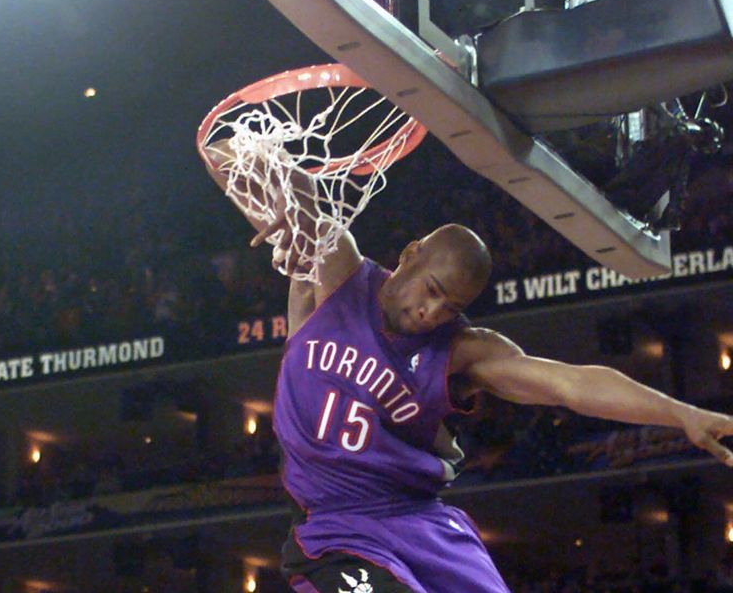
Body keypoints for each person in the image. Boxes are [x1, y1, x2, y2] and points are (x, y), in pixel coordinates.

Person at [203, 142, 733, 593]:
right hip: (335, 529)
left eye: (450, 306)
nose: (432, 312)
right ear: (411, 255)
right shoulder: (338, 272)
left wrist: (680, 413)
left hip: (419, 521)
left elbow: (570, 384)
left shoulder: (460, 351)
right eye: (432, 291)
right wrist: (270, 178)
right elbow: (236, 164)